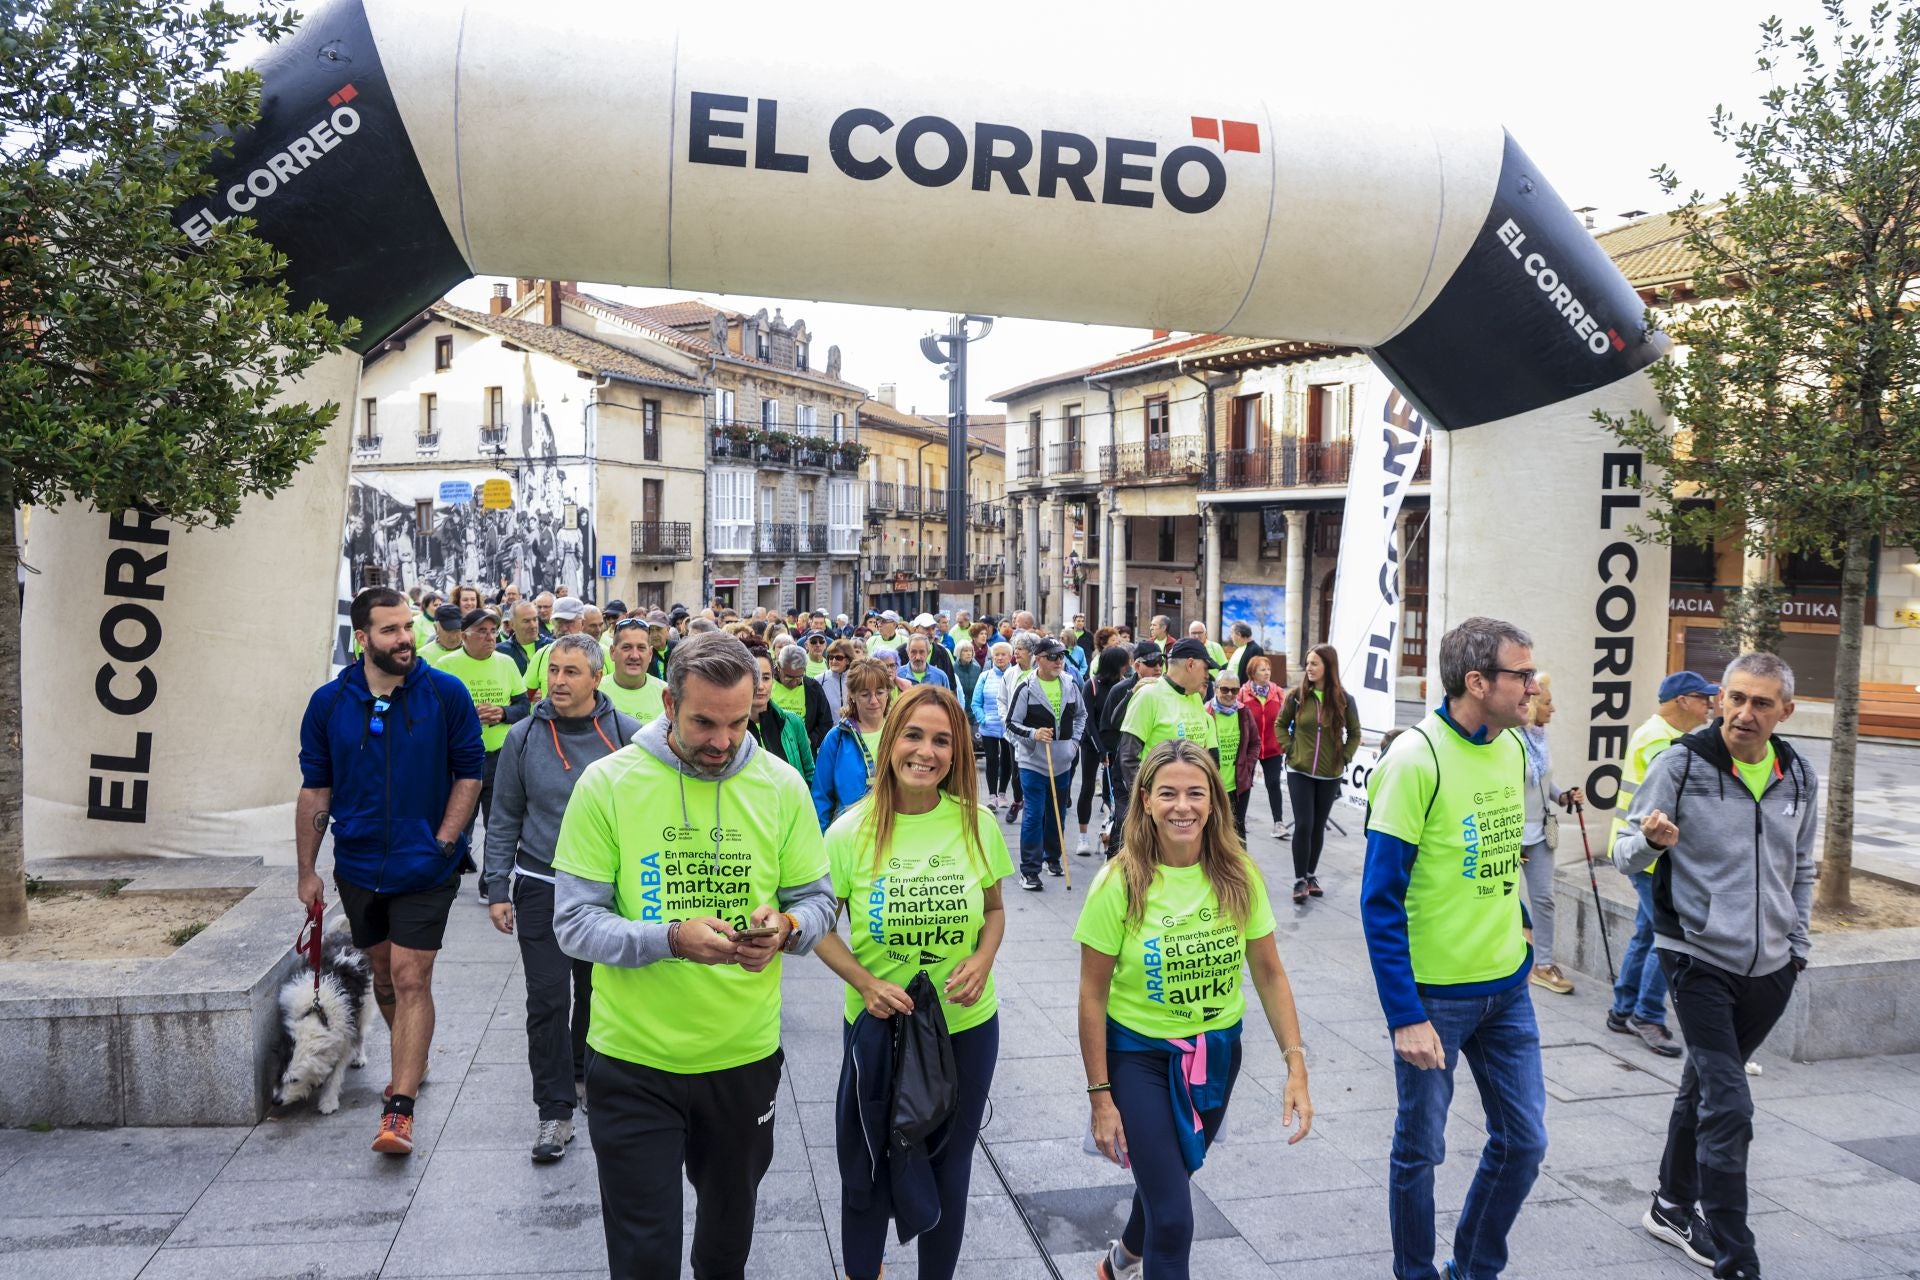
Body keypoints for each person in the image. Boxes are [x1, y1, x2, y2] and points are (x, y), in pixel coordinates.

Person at [551, 630, 836, 1280]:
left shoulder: (781, 786)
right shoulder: (608, 784)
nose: (722, 741)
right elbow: (573, 925)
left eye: (738, 723)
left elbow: (820, 904)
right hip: (632, 1062)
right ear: (668, 703)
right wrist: (669, 939)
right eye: (704, 722)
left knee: (724, 1249)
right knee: (645, 1255)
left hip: (742, 1059)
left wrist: (787, 927)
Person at [1075, 738, 1312, 1280]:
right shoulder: (1119, 883)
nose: (1183, 806)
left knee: (1169, 1178)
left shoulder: (1238, 874)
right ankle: (1139, 1258)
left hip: (1218, 1055)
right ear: (1146, 801)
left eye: (1195, 793)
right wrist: (1100, 1097)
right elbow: (1091, 994)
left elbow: (1270, 972)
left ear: (1215, 803)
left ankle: (1120, 1260)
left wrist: (1295, 1064)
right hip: (1139, 1059)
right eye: (1168, 794)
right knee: (1177, 1222)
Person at [1613, 651, 1815, 1279]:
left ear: (1785, 711)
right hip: (1696, 957)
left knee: (1703, 1084)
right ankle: (1735, 1255)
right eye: (1734, 698)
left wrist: (1797, 948)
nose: (1743, 713)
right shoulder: (1681, 763)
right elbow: (1624, 854)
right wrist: (1650, 840)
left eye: (1760, 703)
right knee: (1729, 1104)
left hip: (1772, 968)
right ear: (1719, 699)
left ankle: (1671, 1206)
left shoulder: (1799, 774)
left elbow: (1803, 867)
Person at [1361, 616, 1546, 1280]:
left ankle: (1473, 1267)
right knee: (1421, 1151)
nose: (1533, 685)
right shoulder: (1417, 758)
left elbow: (1499, 852)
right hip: (1434, 999)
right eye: (1521, 674)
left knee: (1525, 1142)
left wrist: (1519, 920)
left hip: (1507, 991)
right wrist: (1404, 1014)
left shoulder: (1513, 748)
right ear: (1478, 681)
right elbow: (1379, 899)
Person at [817, 685, 1013, 1280]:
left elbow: (996, 911)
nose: (925, 752)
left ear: (956, 752)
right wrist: (864, 981)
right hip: (879, 1030)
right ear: (890, 740)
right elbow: (821, 928)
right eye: (913, 735)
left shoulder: (977, 824)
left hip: (965, 1029)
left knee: (951, 1167)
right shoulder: (850, 831)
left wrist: (982, 959)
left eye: (941, 740)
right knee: (869, 1165)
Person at [297, 587, 483, 1155]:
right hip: (357, 866)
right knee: (382, 976)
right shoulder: (329, 703)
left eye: (408, 627)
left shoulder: (446, 694)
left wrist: (445, 840)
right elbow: (315, 788)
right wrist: (308, 869)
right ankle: (412, 1055)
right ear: (362, 639)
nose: (405, 639)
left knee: (409, 976)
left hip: (426, 866)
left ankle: (398, 1109)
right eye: (390, 630)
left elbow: (469, 772)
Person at [483, 634, 642, 1162]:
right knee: (548, 999)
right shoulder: (523, 738)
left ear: (598, 678)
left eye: (572, 672)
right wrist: (497, 886)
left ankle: (585, 1077)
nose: (558, 682)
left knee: (596, 992)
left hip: (604, 892)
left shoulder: (628, 737)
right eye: (554, 670)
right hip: (541, 885)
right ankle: (553, 1111)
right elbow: (504, 814)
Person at [1606, 671, 1721, 1058]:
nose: (1710, 704)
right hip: (1651, 855)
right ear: (1682, 701)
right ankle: (1648, 1015)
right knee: (1668, 938)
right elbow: (1681, 798)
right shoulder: (1662, 740)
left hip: (1644, 853)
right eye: (1703, 697)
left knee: (1646, 932)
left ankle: (1623, 1010)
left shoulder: (1659, 734)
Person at [433, 609, 530, 882]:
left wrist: (502, 713)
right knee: (460, 820)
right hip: (460, 758)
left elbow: (524, 706)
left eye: (493, 631)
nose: (489, 637)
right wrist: (465, 715)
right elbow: (432, 711)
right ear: (464, 635)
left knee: (497, 824)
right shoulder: (445, 665)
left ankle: (492, 881)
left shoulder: (507, 663)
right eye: (482, 631)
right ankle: (449, 874)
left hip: (500, 757)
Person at [1277, 644, 1362, 904]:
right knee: (1303, 824)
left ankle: (1311, 875)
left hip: (1329, 773)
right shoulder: (1297, 696)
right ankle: (1299, 879)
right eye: (1308, 663)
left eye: (1314, 663)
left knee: (1317, 826)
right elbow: (1280, 724)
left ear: (1328, 666)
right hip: (1299, 769)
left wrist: (1344, 758)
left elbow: (1355, 734)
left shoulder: (1345, 700)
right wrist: (1289, 749)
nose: (1309, 668)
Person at [1004, 636, 1086, 891]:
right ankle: (1030, 870)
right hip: (1032, 762)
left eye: (1061, 656)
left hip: (1063, 760)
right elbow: (1010, 723)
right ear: (1037, 659)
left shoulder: (1071, 684)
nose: (1058, 661)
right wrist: (1033, 734)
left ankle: (1052, 857)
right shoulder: (1026, 687)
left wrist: (1073, 743)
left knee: (1057, 814)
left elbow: (1081, 715)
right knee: (1034, 814)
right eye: (1052, 656)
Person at [1517, 675, 1582, 996]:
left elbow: (1542, 780)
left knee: (1544, 899)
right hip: (1511, 833)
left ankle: (1543, 964)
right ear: (1531, 705)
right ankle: (1507, 957)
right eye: (1547, 703)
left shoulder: (1540, 737)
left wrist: (1563, 797)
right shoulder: (1510, 738)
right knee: (1500, 898)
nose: (1553, 709)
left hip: (1541, 830)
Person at [1100, 640, 1165, 856]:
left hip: (1155, 768)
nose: (1157, 667)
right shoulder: (1121, 689)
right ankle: (1114, 867)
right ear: (1137, 666)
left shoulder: (1165, 689)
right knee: (1126, 820)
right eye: (1151, 663)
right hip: (1124, 769)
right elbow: (1110, 725)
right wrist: (1132, 694)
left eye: (1161, 662)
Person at [814, 658, 896, 827]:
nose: (873, 701)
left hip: (895, 833)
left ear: (888, 691)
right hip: (849, 834)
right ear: (852, 694)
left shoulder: (900, 733)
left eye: (880, 692)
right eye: (865, 694)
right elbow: (821, 797)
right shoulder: (836, 738)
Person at [1076, 645, 1131, 856]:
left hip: (1115, 744)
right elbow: (1088, 720)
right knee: (1088, 787)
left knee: (1113, 791)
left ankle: (1112, 832)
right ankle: (1082, 836)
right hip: (1092, 744)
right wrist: (1101, 750)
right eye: (1124, 664)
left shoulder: (1124, 685)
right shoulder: (1091, 686)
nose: (1127, 668)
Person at [746, 645, 815, 782]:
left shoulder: (793, 722)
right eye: (754, 678)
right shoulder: (731, 729)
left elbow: (809, 772)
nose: (760, 686)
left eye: (766, 678)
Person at [1239, 654, 1289, 838]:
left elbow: (1285, 717)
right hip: (1249, 748)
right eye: (1262, 669)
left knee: (1273, 783)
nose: (1267, 672)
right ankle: (1239, 821)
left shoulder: (1277, 692)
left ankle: (1279, 823)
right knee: (1244, 784)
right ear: (1252, 673)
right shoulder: (1243, 693)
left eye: (1268, 669)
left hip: (1272, 747)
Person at [1206, 669, 1257, 843]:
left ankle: (1241, 869)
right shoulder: (1205, 713)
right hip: (1213, 785)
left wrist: (1247, 767)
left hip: (1239, 786)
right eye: (1224, 689)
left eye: (1234, 690)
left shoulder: (1244, 712)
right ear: (1215, 689)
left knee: (1238, 831)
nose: (1229, 694)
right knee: (1212, 832)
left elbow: (1254, 743)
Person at [972, 641, 1015, 811]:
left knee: (1007, 761)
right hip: (989, 725)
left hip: (1008, 726)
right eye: (996, 654)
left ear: (1010, 656)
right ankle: (992, 796)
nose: (999, 657)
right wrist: (983, 719)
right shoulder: (985, 676)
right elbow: (976, 702)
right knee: (991, 760)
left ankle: (1003, 794)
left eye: (1003, 654)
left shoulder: (1015, 675)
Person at [601, 618, 667, 723]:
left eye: (641, 648)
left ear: (650, 654)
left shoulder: (666, 694)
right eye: (626, 647)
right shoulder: (595, 692)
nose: (634, 656)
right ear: (612, 652)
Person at [770, 642, 833, 749]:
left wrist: (810, 740)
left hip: (802, 751)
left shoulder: (812, 687)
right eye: (788, 677)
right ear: (779, 667)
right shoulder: (768, 684)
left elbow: (826, 722)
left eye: (799, 677)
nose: (794, 682)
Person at [501, 600, 544, 676]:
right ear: (512, 624)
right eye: (526, 621)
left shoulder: (552, 647)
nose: (533, 625)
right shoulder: (501, 651)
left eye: (535, 619)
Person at [819, 638, 857, 721]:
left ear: (848, 660)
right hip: (828, 731)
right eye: (831, 657)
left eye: (838, 657)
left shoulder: (857, 678)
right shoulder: (819, 680)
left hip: (853, 730)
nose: (833, 661)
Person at [418, 602, 464, 666]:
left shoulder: (473, 652)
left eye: (456, 630)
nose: (453, 637)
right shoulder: (421, 656)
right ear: (436, 628)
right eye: (448, 630)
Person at [951, 640, 982, 720]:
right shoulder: (952, 669)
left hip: (974, 714)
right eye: (965, 651)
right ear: (959, 652)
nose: (969, 653)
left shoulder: (977, 669)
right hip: (958, 713)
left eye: (970, 651)